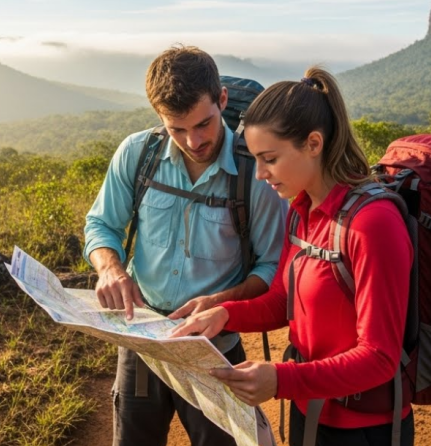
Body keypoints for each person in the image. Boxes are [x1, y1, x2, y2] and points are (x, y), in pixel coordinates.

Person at [170, 67, 414, 446]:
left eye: (269, 158)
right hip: (307, 411)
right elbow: (283, 301)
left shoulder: (373, 224)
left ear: (313, 144)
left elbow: (380, 357)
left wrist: (281, 380)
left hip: (364, 429)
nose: (261, 173)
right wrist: (225, 313)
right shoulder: (301, 211)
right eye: (255, 159)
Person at [83, 45, 288, 446]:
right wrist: (110, 268)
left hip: (215, 350)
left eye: (203, 124)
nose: (193, 141)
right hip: (143, 341)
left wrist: (221, 303)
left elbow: (271, 266)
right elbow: (101, 224)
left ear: (222, 100)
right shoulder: (138, 153)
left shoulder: (255, 174)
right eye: (177, 129)